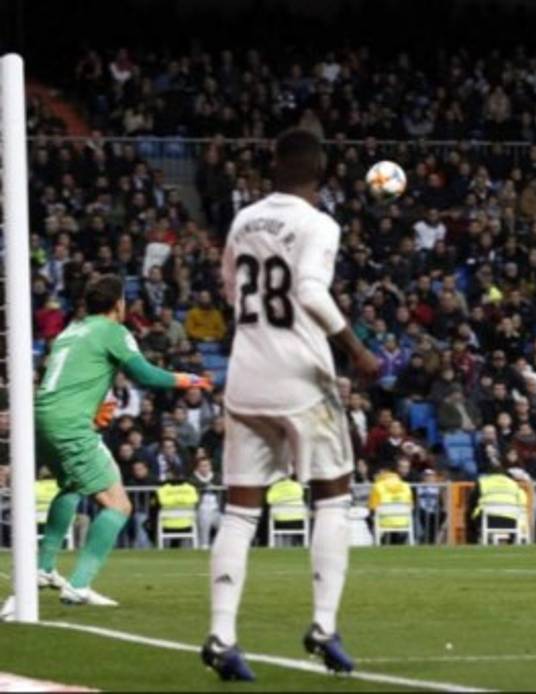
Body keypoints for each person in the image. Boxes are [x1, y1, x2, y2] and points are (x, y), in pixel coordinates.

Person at [202, 129, 381, 680]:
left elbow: (230, 289)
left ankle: (222, 634)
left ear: (273, 166)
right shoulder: (318, 223)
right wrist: (356, 348)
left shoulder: (242, 220)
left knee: (239, 510)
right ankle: (323, 625)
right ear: (321, 172)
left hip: (246, 375)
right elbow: (307, 289)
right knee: (332, 495)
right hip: (301, 377)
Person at [35, 274, 212, 606]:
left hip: (43, 418)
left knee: (71, 486)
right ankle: (79, 584)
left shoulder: (70, 331)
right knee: (119, 505)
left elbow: (73, 378)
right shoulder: (113, 331)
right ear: (119, 304)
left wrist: (93, 406)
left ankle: (43, 567)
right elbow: (144, 374)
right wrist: (184, 379)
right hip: (71, 424)